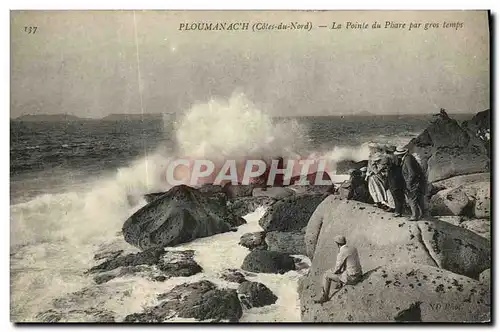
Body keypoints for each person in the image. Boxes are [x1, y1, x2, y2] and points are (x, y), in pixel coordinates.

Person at [315, 235, 363, 304]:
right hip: (359, 274)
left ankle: (325, 296)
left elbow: (337, 268)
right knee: (343, 268)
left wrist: (331, 272)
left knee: (326, 275)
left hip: (352, 278)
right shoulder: (353, 248)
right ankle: (339, 283)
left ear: (337, 244)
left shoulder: (342, 252)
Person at [394, 147, 426, 221]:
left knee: (412, 198)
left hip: (413, 182)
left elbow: (412, 173)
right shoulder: (408, 158)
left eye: (398, 154)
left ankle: (415, 215)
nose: (397, 156)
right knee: (417, 198)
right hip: (415, 181)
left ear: (401, 154)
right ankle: (422, 214)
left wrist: (408, 183)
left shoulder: (408, 159)